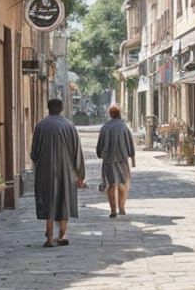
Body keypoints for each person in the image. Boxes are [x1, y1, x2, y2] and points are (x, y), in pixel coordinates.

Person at [32, 99, 86, 247]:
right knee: (64, 200)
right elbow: (77, 152)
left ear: (48, 108)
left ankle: (49, 238)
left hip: (45, 170)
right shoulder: (70, 126)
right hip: (66, 170)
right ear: (62, 109)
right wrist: (80, 174)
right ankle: (62, 235)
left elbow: (34, 153)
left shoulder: (40, 126)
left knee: (48, 201)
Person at [96, 104, 137, 219]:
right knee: (122, 184)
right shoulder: (124, 127)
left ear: (110, 114)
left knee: (111, 185)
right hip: (122, 160)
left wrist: (100, 153)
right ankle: (122, 207)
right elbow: (130, 144)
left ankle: (113, 210)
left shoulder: (105, 127)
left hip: (108, 160)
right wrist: (132, 157)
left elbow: (100, 146)